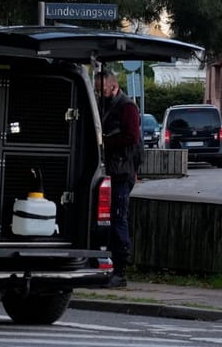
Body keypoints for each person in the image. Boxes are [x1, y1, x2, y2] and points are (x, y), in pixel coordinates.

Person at [96, 68, 141, 288]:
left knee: (117, 217)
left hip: (121, 171)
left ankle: (120, 270)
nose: (99, 93)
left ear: (113, 86)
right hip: (110, 169)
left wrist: (105, 143)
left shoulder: (127, 107)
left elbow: (132, 137)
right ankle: (109, 266)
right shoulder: (106, 104)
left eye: (102, 89)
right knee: (109, 219)